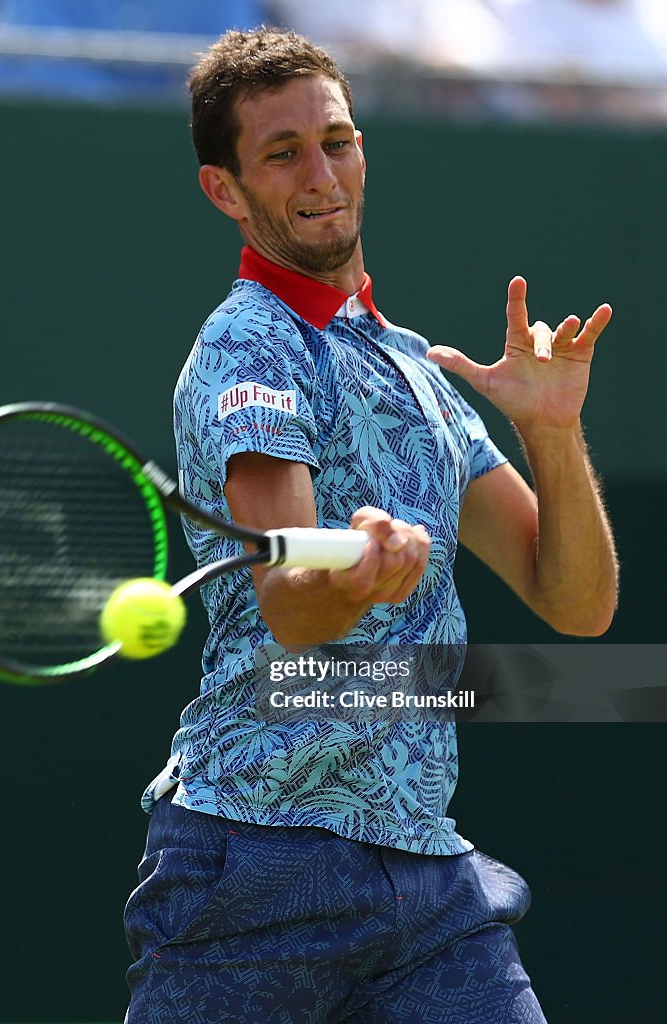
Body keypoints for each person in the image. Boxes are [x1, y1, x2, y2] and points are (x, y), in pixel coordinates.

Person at [123, 26, 618, 1024]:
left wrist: (550, 433)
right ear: (226, 189)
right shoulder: (250, 349)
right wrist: (358, 577)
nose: (320, 173)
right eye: (282, 153)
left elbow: (575, 604)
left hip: (425, 876)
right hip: (249, 863)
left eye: (336, 141)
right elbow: (289, 607)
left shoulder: (410, 369)